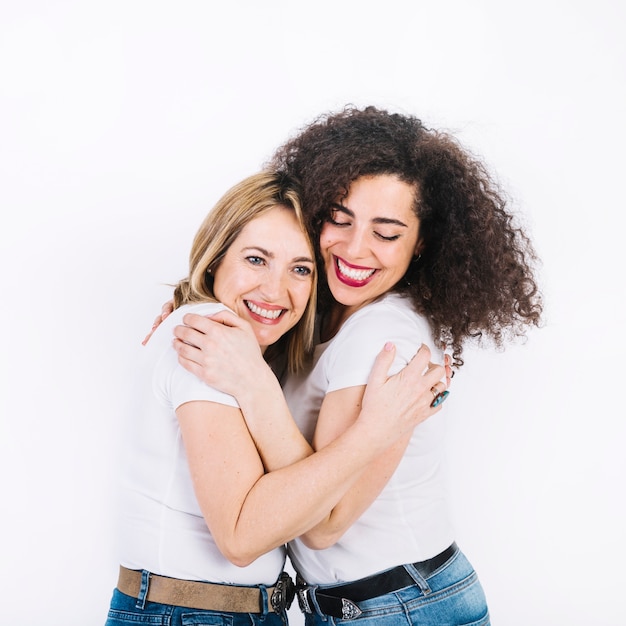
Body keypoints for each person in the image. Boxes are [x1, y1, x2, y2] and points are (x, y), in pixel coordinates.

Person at [168, 106, 543, 625]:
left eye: (386, 234)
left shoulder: (381, 335)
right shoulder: (319, 312)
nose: (354, 248)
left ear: (423, 243)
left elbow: (324, 525)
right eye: (340, 220)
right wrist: (197, 301)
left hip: (403, 606)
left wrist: (256, 386)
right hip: (363, 604)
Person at [107, 169, 450, 626]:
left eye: (301, 269)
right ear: (215, 259)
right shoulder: (211, 334)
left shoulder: (255, 350)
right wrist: (376, 430)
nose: (274, 289)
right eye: (255, 260)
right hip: (191, 613)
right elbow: (242, 537)